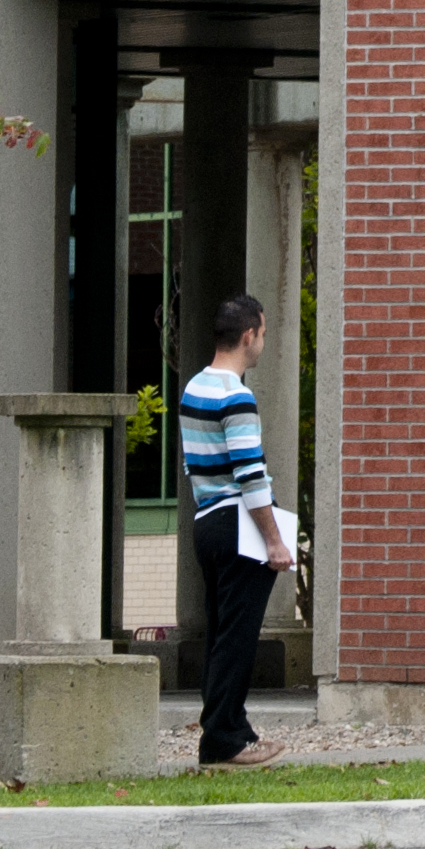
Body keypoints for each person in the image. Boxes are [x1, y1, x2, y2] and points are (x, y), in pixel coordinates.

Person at [177, 293, 290, 769]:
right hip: (239, 524)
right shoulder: (236, 395)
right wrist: (274, 539)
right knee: (238, 638)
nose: (262, 342)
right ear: (248, 336)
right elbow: (250, 475)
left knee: (221, 632)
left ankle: (232, 729)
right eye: (262, 334)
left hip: (206, 520)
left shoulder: (193, 388)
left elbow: (194, 466)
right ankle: (222, 740)